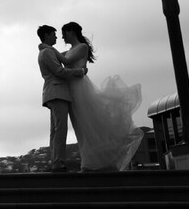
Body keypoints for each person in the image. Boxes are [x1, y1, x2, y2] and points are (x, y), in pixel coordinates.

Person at [45, 22, 144, 171]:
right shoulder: (71, 50)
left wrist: (47, 47)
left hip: (80, 89)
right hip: (70, 91)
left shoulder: (81, 48)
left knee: (88, 123)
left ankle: (95, 161)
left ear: (72, 32)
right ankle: (89, 160)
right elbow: (59, 58)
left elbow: (64, 61)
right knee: (80, 126)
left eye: (64, 33)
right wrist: (48, 49)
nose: (62, 36)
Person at [37, 25, 87, 172]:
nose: (57, 37)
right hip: (57, 92)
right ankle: (58, 163)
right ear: (46, 35)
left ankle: (56, 161)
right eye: (54, 34)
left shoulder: (46, 51)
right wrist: (80, 72)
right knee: (60, 130)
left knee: (55, 130)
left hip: (53, 93)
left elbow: (65, 58)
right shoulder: (47, 52)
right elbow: (59, 71)